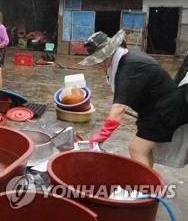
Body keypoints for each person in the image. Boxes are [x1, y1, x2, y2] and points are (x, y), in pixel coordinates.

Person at [80, 29, 188, 167]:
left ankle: (148, 187)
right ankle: (150, 184)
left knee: (136, 149)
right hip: (154, 108)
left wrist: (103, 134)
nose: (100, 64)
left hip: (165, 110)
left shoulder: (128, 68)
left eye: (101, 59)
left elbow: (119, 108)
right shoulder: (126, 54)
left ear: (111, 51)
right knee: (142, 151)